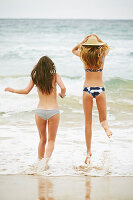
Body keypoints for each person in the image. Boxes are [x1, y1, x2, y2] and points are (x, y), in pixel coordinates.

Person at [5, 56, 66, 167]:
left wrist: (12, 90)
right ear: (50, 66)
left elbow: (26, 91)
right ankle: (45, 162)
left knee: (42, 139)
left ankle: (39, 162)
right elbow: (63, 87)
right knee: (51, 140)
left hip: (40, 111)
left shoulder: (35, 77)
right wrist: (62, 95)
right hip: (53, 111)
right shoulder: (55, 76)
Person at [72, 34, 112, 164]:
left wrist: (83, 41)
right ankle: (106, 129)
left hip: (87, 90)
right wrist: (98, 38)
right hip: (100, 89)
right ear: (98, 46)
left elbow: (73, 50)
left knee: (88, 123)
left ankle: (88, 151)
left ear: (87, 46)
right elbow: (108, 47)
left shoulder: (84, 56)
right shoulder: (102, 56)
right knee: (103, 119)